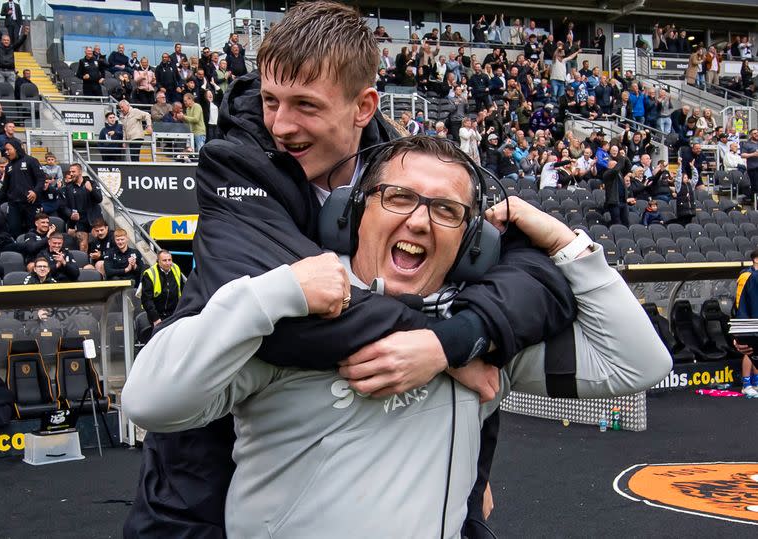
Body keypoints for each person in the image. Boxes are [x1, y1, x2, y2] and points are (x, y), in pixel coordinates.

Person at [123, 4, 577, 538]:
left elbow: (524, 274)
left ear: (363, 107)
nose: (280, 125)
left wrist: (463, 340)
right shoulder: (235, 162)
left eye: (305, 106)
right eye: (271, 101)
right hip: (201, 457)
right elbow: (294, 321)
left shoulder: (412, 163)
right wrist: (446, 346)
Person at [123, 138, 671, 538]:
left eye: (446, 210)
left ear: (472, 242)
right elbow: (151, 401)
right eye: (398, 197)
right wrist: (276, 295)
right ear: (352, 213)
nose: (419, 221)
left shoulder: (481, 333)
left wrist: (558, 238)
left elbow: (636, 362)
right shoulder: (289, 311)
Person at [734, 249, 758, 396]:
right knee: (750, 352)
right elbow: (740, 302)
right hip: (749, 320)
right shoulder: (747, 276)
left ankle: (756, 382)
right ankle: (747, 383)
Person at [62, 163, 102, 250]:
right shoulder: (68, 188)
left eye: (73, 171)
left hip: (94, 218)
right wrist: (71, 214)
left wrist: (91, 190)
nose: (71, 174)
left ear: (80, 172)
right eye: (70, 172)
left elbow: (99, 199)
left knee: (99, 243)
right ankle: (84, 262)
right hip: (79, 221)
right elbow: (64, 206)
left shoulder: (92, 183)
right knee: (83, 245)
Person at [140, 250, 184, 326]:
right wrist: (155, 318)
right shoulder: (149, 274)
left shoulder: (176, 268)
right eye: (164, 260)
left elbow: (182, 290)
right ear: (158, 261)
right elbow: (146, 299)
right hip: (158, 316)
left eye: (169, 260)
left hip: (174, 314)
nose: (168, 263)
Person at [742, 129, 758, 198]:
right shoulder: (747, 144)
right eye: (755, 133)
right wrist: (753, 154)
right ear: (751, 135)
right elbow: (743, 155)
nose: (757, 134)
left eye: (757, 133)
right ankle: (754, 202)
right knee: (755, 186)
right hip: (753, 168)